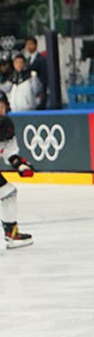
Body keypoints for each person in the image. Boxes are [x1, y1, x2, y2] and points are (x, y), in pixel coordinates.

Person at [0, 90, 35, 248]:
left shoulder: (6, 125)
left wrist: (20, 165)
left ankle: (11, 233)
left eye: (2, 106)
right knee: (7, 192)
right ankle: (11, 234)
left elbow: (9, 152)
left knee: (8, 193)